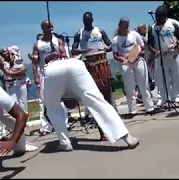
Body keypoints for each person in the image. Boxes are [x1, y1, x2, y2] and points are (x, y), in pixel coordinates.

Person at [37, 20, 140, 151]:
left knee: (52, 108)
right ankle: (127, 137)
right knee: (98, 101)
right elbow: (63, 54)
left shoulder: (51, 43)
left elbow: (48, 112)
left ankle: (65, 143)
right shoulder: (52, 42)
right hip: (75, 65)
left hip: (51, 70)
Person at [71, 12, 115, 140]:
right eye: (85, 21)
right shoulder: (79, 33)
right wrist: (85, 51)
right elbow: (73, 50)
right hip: (90, 64)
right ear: (83, 21)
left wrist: (106, 49)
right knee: (96, 96)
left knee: (106, 96)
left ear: (92, 20)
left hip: (102, 62)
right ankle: (102, 131)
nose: (87, 23)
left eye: (89, 21)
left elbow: (110, 45)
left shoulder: (100, 31)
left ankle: (111, 127)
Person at [29, 22, 68, 136]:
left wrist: (57, 56)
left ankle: (64, 123)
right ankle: (47, 126)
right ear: (42, 28)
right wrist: (36, 75)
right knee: (44, 101)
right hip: (44, 74)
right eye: (47, 27)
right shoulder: (38, 44)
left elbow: (64, 55)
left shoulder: (58, 41)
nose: (50, 29)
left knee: (61, 99)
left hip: (58, 72)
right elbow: (35, 61)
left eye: (51, 27)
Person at [148, 5, 179, 109]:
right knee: (162, 81)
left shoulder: (173, 23)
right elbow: (149, 44)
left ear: (165, 16)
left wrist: (177, 46)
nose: (158, 19)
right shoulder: (153, 28)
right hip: (161, 57)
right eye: (157, 17)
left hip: (174, 55)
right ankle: (164, 100)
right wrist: (156, 51)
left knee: (178, 78)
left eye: (160, 17)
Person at [112, 17, 155, 114]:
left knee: (143, 85)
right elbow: (115, 55)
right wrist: (124, 59)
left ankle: (150, 107)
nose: (126, 26)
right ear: (120, 25)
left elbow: (143, 47)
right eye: (124, 24)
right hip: (126, 63)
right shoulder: (115, 39)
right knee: (129, 88)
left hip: (138, 60)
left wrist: (137, 54)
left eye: (127, 24)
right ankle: (132, 110)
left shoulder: (134, 35)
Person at [0, 47, 38, 152]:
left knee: (23, 107)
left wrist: (13, 73)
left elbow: (24, 69)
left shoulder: (16, 58)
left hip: (20, 83)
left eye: (6, 51)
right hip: (10, 84)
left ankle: (23, 136)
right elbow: (7, 72)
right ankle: (19, 137)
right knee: (13, 108)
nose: (5, 53)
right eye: (3, 52)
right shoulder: (2, 62)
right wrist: (15, 73)